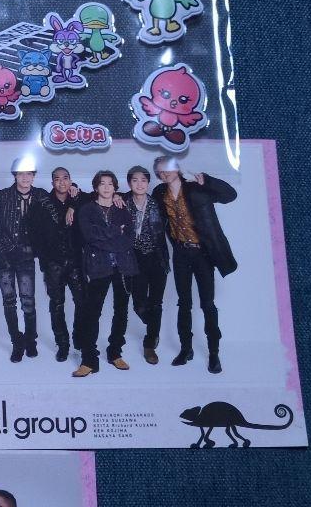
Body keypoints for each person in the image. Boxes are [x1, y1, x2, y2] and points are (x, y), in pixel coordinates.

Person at [152, 156, 238, 374]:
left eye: (168, 168)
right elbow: (139, 199)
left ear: (177, 168)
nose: (165, 173)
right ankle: (186, 349)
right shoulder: (159, 193)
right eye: (160, 171)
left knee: (207, 304)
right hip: (181, 253)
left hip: (202, 253)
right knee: (184, 303)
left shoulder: (196, 188)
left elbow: (230, 195)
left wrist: (208, 181)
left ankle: (214, 353)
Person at [74, 171, 138, 377]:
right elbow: (89, 235)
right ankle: (89, 360)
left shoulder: (122, 208)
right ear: (96, 187)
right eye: (102, 183)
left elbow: (130, 236)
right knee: (92, 312)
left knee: (121, 311)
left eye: (111, 184)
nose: (107, 187)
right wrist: (115, 232)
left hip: (123, 265)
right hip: (97, 265)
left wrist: (107, 239)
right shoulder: (87, 209)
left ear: (115, 188)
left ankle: (115, 353)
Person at [0, 159, 45, 362]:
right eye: (21, 173)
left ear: (33, 176)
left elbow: (59, 206)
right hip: (5, 258)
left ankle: (31, 341)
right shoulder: (1, 196)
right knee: (9, 301)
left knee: (28, 301)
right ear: (15, 175)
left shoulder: (41, 196)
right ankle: (17, 343)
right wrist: (0, 248)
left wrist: (74, 188)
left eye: (29, 173)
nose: (25, 177)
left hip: (27, 256)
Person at [29, 168, 86, 363]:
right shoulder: (42, 204)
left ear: (71, 180)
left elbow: (100, 196)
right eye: (57, 179)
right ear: (52, 182)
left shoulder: (79, 199)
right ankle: (62, 344)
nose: (62, 182)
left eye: (66, 178)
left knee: (82, 302)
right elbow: (33, 233)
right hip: (53, 264)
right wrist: (44, 259)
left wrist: (73, 204)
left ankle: (79, 338)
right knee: (57, 305)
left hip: (76, 261)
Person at [122, 165, 170, 365]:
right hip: (136, 259)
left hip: (157, 258)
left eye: (143, 180)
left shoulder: (158, 203)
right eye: (135, 180)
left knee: (156, 302)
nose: (139, 184)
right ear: (129, 183)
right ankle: (154, 325)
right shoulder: (122, 202)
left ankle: (150, 343)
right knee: (139, 304)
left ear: (148, 183)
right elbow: (97, 194)